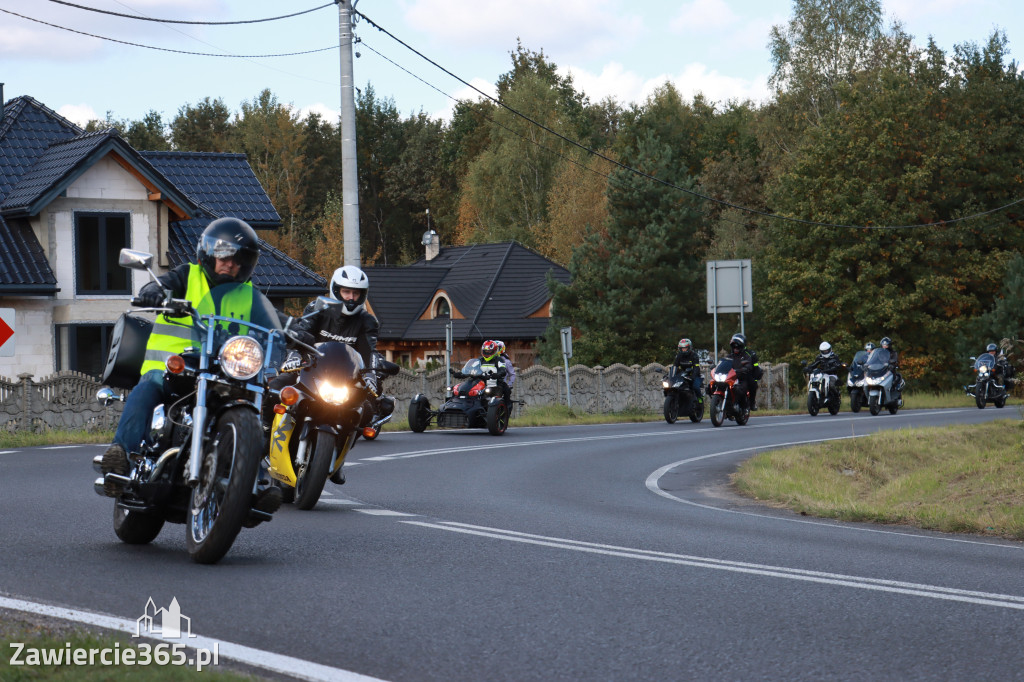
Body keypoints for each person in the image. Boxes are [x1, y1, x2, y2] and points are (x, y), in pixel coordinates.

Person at [99, 217, 279, 512]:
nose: (229, 264)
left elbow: (273, 323)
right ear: (208, 254)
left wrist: (294, 330)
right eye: (223, 257)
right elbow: (162, 284)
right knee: (147, 387)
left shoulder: (250, 296)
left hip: (224, 374)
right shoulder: (187, 276)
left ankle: (255, 481)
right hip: (175, 368)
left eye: (237, 259)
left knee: (253, 413)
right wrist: (154, 292)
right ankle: (122, 455)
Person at [726, 333, 754, 409]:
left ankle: (738, 405)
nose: (735, 348)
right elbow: (723, 364)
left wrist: (745, 368)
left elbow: (749, 365)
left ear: (742, 347)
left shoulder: (746, 356)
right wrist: (715, 367)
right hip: (730, 378)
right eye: (734, 346)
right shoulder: (729, 356)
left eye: (737, 347)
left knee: (738, 389)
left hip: (741, 378)